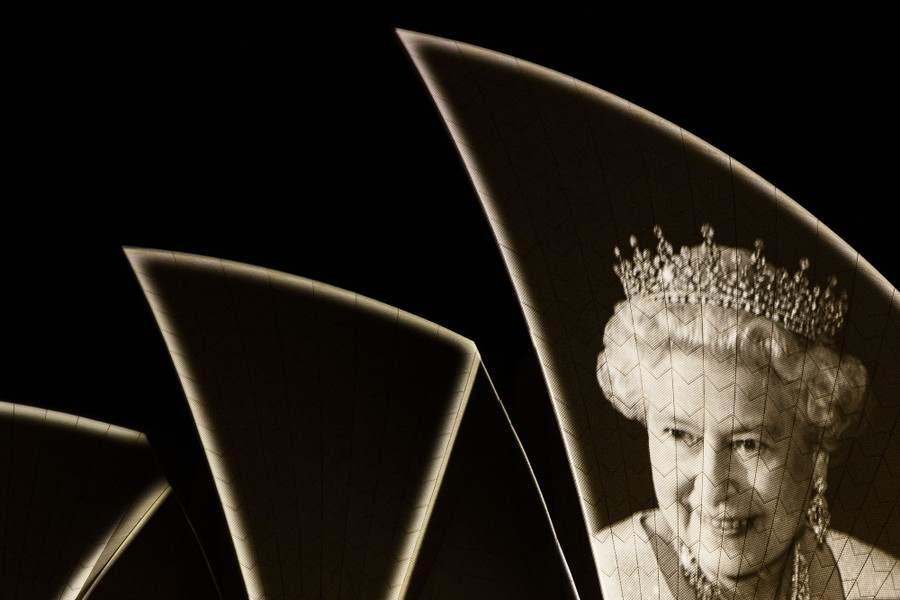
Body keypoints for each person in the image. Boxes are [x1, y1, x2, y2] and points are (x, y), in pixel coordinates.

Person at [594, 224, 899, 600]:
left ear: (816, 455)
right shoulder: (599, 577)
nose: (712, 485)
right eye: (680, 435)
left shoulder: (883, 586)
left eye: (748, 444)